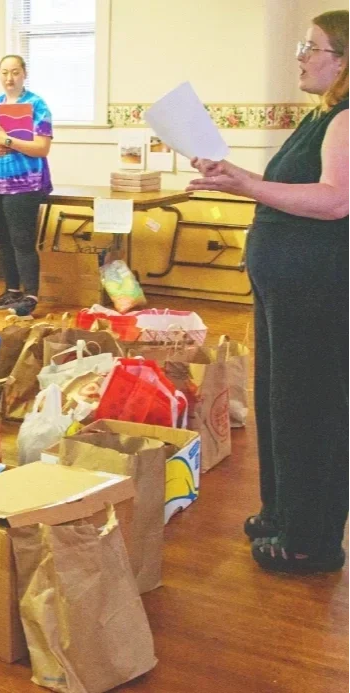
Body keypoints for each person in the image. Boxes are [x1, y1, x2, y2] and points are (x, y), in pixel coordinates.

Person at [187, 10, 350, 574]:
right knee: (279, 401)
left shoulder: (348, 119)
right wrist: (235, 178)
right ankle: (283, 510)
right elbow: (289, 192)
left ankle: (312, 538)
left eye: (313, 47)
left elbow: (335, 200)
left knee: (312, 408)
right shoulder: (322, 116)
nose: (301, 55)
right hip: (290, 286)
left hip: (319, 289)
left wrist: (248, 183)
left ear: (344, 60)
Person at [0, 54, 52, 316]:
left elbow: (41, 148)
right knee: (2, 240)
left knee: (22, 241)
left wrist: (9, 142)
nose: (9, 78)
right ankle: (12, 290)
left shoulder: (37, 105)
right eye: (4, 72)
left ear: (24, 74)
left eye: (15, 72)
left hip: (24, 185)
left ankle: (30, 295)